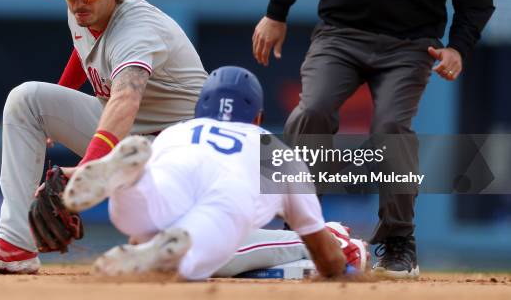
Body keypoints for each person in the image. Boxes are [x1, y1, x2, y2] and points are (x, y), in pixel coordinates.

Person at [251, 0, 495, 278]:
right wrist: (275, 13)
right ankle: (298, 233)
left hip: (410, 46)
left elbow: (477, 0)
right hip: (340, 35)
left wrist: (459, 48)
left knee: (392, 128)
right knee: (311, 111)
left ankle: (399, 245)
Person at [0, 0, 208, 274]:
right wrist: (55, 107)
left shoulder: (136, 28)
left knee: (182, 253)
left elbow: (125, 99)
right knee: (27, 100)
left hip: (179, 150)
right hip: (133, 138)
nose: (76, 3)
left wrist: (85, 173)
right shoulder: (84, 7)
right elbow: (83, 49)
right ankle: (15, 243)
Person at [62, 66, 368, 280]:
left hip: (171, 178)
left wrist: (142, 239)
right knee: (197, 253)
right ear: (258, 117)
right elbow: (320, 250)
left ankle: (130, 182)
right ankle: (169, 255)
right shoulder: (276, 151)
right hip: (226, 198)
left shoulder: (178, 132)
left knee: (141, 208)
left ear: (200, 110)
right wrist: (338, 265)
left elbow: (136, 232)